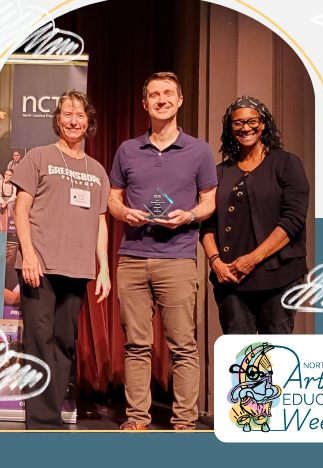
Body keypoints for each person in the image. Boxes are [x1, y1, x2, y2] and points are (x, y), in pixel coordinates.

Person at [108, 72, 217, 431]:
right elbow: (113, 199)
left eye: (168, 93)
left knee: (182, 345)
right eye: (154, 94)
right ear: (145, 103)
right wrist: (124, 213)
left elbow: (209, 202)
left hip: (178, 259)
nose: (161, 99)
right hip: (133, 258)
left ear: (180, 100)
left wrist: (189, 215)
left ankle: (184, 423)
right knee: (136, 345)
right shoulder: (127, 149)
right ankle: (137, 420)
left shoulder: (199, 150)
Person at [10, 90, 111, 430]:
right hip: (40, 266)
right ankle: (42, 423)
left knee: (64, 344)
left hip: (77, 268)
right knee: (39, 341)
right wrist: (29, 255)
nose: (73, 120)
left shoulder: (96, 170)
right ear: (57, 120)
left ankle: (50, 418)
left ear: (88, 121)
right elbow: (20, 209)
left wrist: (104, 270)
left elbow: (100, 221)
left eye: (79, 114)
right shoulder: (38, 157)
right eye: (67, 114)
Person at [200, 95, 309, 335]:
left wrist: (253, 259)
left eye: (252, 121)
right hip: (230, 280)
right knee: (239, 360)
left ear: (264, 124)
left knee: (274, 356)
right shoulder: (219, 173)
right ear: (230, 129)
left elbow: (293, 221)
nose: (246, 127)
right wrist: (216, 263)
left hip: (278, 278)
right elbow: (206, 226)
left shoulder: (286, 163)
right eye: (237, 123)